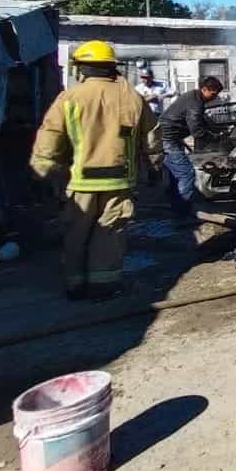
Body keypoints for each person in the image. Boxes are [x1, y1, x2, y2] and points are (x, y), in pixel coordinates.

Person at [30, 40, 157, 300]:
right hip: (118, 181)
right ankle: (103, 285)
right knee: (109, 232)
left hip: (80, 182)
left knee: (77, 232)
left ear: (81, 68)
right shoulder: (132, 97)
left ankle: (75, 284)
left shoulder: (70, 97)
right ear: (111, 66)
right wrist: (154, 167)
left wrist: (42, 170)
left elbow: (50, 135)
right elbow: (152, 137)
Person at [157, 76, 225, 211]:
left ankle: (175, 204)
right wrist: (216, 138)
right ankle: (183, 210)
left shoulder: (194, 97)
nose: (215, 97)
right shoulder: (195, 103)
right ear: (204, 89)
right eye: (213, 94)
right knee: (186, 173)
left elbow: (202, 121)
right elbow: (197, 132)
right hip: (169, 139)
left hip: (169, 137)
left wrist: (218, 128)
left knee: (174, 173)